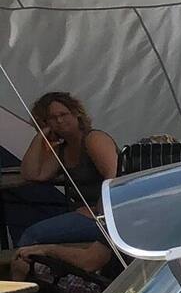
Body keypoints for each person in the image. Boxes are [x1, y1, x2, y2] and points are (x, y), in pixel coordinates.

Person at [10, 92, 117, 280]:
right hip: (84, 213)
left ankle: (28, 290)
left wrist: (98, 211)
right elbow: (32, 174)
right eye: (52, 118)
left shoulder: (93, 139)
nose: (59, 121)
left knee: (32, 235)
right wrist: (40, 136)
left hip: (107, 216)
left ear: (76, 113)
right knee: (33, 235)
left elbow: (114, 179)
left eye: (63, 114)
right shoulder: (63, 149)